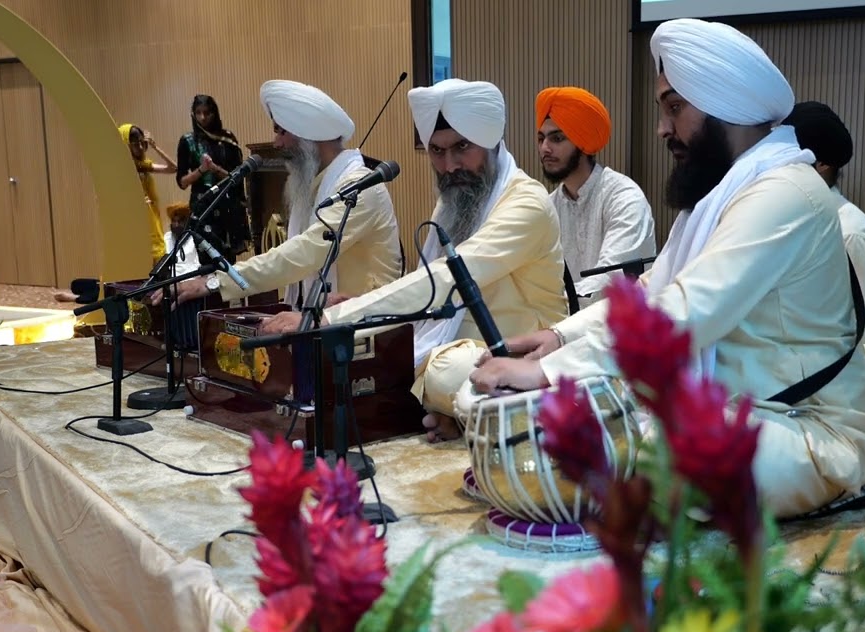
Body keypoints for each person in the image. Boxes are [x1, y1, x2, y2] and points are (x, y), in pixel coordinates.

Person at [470, 19, 865, 517]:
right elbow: (648, 292)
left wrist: (546, 374)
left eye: (674, 108)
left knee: (643, 452)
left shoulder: (786, 192)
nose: (663, 128)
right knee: (592, 425)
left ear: (723, 104)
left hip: (806, 428)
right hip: (737, 409)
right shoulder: (721, 194)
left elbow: (688, 312)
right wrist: (558, 339)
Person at [310, 78, 566, 442]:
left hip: (520, 356)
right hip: (460, 355)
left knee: (446, 371)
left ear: (491, 142)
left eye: (462, 147)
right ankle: (465, 413)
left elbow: (447, 279)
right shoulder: (456, 201)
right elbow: (430, 287)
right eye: (437, 151)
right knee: (389, 354)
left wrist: (333, 319)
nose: (449, 166)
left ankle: (463, 409)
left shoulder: (527, 203)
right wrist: (371, 312)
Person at [167, 81, 400, 309]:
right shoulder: (315, 186)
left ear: (309, 134)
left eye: (281, 131)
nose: (276, 143)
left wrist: (218, 281)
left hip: (374, 333)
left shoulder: (359, 187)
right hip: (333, 328)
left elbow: (305, 253)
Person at [782, 101, 865, 350]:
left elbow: (852, 333)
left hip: (849, 373)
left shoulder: (850, 233)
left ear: (822, 164)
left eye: (787, 153)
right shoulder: (789, 218)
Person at [536, 86, 655, 307]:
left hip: (621, 330)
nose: (545, 148)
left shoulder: (624, 197)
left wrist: (556, 304)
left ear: (583, 143)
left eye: (557, 138)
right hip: (562, 331)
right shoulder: (548, 207)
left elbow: (611, 277)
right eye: (541, 138)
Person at [175, 95, 251, 258]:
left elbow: (237, 176)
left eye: (207, 113)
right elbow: (182, 182)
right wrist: (202, 170)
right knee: (207, 259)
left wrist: (214, 169)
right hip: (203, 207)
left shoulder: (227, 139)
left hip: (226, 204)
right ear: (193, 114)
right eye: (198, 113)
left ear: (214, 113)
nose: (202, 117)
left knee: (228, 260)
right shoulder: (188, 141)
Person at [119, 124, 175, 264]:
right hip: (135, 221)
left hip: (150, 216)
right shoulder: (120, 170)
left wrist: (155, 147)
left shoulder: (143, 165)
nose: (139, 147)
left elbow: (173, 168)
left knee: (157, 256)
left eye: (141, 142)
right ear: (125, 145)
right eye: (134, 143)